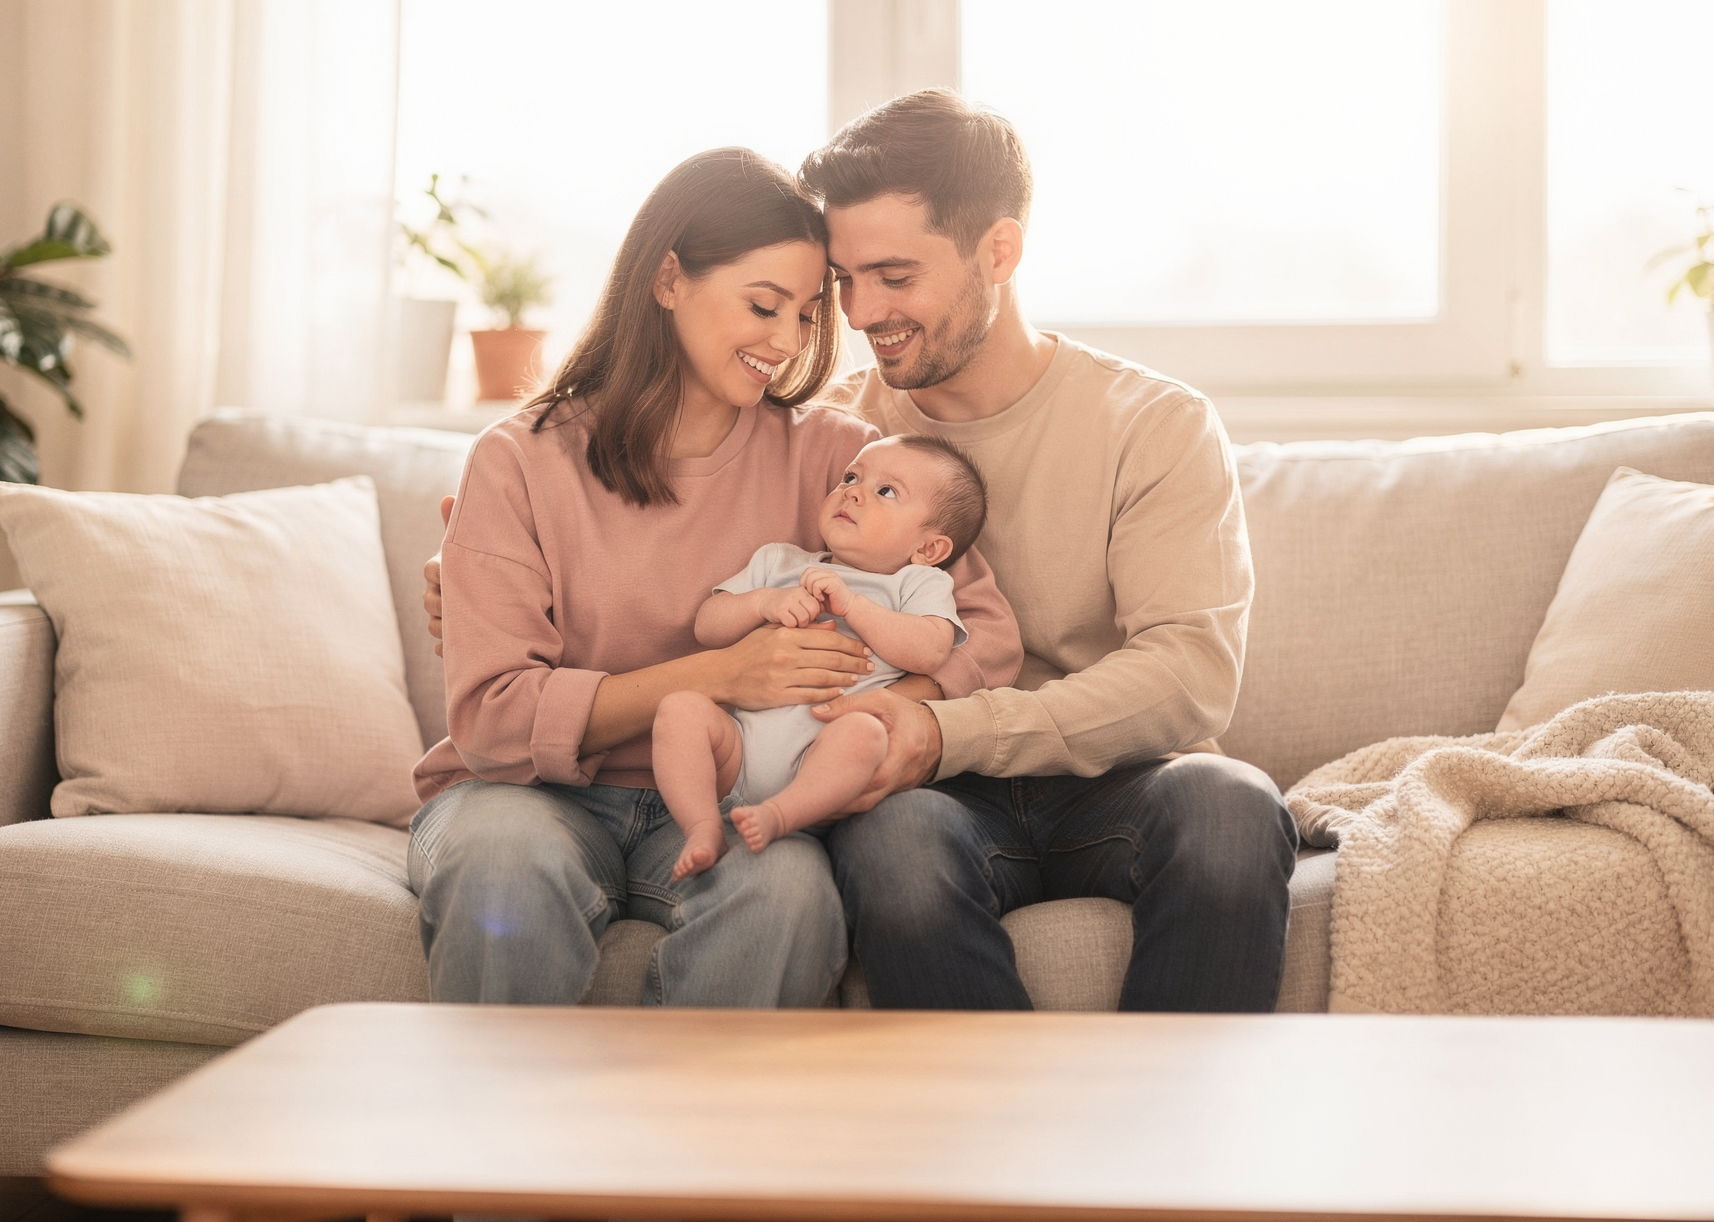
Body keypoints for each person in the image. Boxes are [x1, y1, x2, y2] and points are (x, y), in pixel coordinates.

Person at [409, 146, 1019, 1008]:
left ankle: (696, 1140)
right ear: (667, 280)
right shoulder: (519, 460)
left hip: (730, 794)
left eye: (807, 316)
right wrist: (719, 676)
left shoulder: (839, 458)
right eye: (764, 305)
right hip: (524, 798)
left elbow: (986, 638)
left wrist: (875, 696)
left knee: (790, 895)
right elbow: (491, 717)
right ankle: (509, 1142)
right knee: (505, 871)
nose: (785, 341)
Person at [795, 89, 1301, 1012]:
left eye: (895, 277)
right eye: (845, 281)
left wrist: (955, 730)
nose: (863, 312)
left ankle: (1174, 1151)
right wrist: (499, 561)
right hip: (930, 800)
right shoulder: (830, 435)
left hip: (1117, 781)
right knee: (892, 848)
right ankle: (1002, 1152)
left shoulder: (1154, 422)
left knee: (1230, 805)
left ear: (1000, 250)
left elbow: (1188, 675)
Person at [653, 433, 1001, 881]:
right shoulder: (778, 562)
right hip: (735, 752)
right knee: (679, 709)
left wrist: (855, 606)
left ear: (928, 549)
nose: (852, 491)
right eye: (850, 477)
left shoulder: (916, 584)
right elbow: (708, 625)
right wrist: (761, 603)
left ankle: (782, 815)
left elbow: (932, 650)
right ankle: (702, 826)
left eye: (886, 491)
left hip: (821, 759)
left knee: (864, 734)